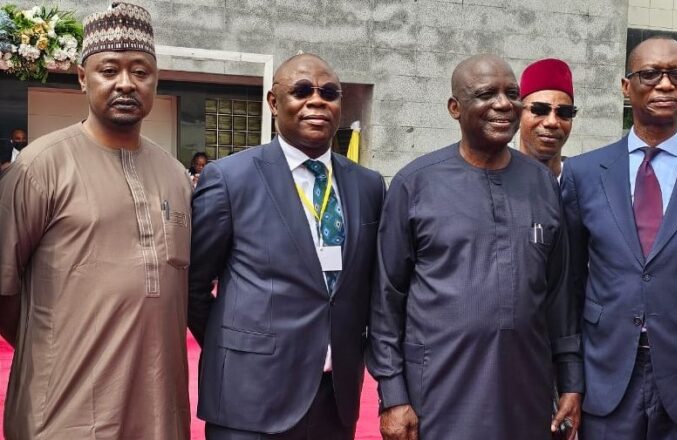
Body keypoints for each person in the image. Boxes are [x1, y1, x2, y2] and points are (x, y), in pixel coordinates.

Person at [0, 3, 192, 439]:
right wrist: (56, 344)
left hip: (160, 413)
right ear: (83, 78)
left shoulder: (177, 176)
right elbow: (4, 291)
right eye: (110, 70)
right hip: (63, 412)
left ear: (155, 79)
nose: (126, 83)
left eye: (140, 71)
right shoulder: (40, 166)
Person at [367, 53, 583, 440]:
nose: (503, 104)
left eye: (512, 94)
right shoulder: (414, 185)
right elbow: (387, 299)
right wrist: (393, 395)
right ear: (455, 107)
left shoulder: (542, 185)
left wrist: (570, 381)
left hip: (526, 393)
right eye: (486, 94)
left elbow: (558, 296)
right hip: (437, 393)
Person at [188, 53, 386, 440]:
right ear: (274, 103)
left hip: (334, 398)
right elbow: (193, 284)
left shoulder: (369, 185)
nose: (317, 101)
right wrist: (237, 346)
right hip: (250, 397)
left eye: (329, 93)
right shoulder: (229, 179)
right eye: (301, 91)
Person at [562, 36, 677, 440]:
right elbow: (570, 289)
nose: (665, 84)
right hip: (606, 380)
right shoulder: (583, 174)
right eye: (650, 74)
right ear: (626, 86)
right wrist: (570, 383)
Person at [518, 58, 577, 180]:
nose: (552, 122)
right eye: (539, 110)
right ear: (518, 113)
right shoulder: (493, 183)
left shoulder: (584, 188)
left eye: (564, 112)